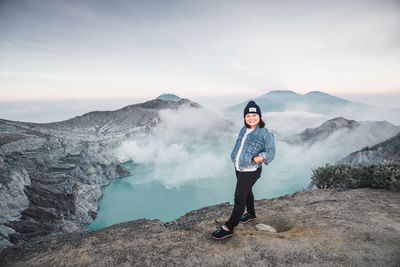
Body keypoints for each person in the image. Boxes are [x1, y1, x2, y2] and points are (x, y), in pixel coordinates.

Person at [211, 100, 276, 240]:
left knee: (239, 199)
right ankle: (251, 214)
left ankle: (229, 227)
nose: (251, 118)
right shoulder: (244, 129)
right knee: (247, 191)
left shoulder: (265, 133)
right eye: (248, 116)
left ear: (259, 116)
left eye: (254, 115)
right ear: (244, 118)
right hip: (239, 168)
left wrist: (253, 160)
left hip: (251, 171)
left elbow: (270, 153)